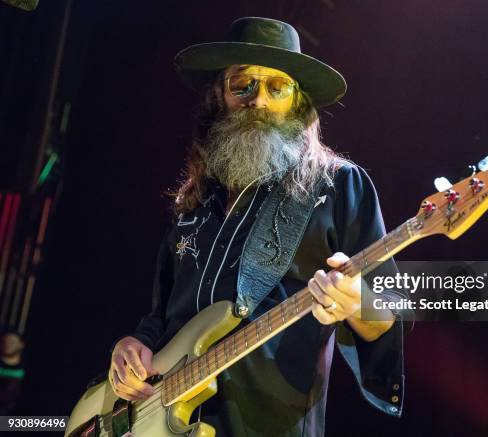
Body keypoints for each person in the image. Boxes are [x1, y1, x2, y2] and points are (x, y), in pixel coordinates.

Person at [108, 17, 405, 436]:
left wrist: (354, 303)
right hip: (162, 423)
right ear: (219, 98)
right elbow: (160, 316)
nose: (258, 101)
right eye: (241, 85)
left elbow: (393, 306)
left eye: (276, 87)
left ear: (299, 103)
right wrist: (130, 348)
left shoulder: (337, 186)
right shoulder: (196, 199)